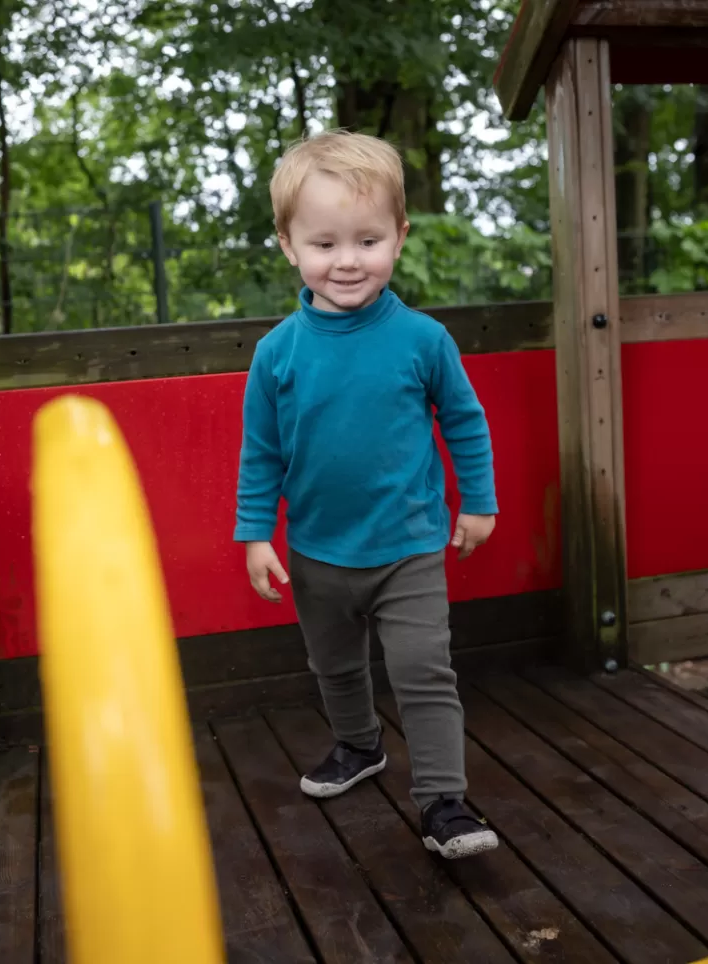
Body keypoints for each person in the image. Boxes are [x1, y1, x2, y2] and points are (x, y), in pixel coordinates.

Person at [234, 130, 499, 860]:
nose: (346, 260)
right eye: (324, 243)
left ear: (399, 238)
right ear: (289, 245)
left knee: (423, 670)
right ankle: (358, 747)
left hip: (408, 546)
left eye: (367, 239)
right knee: (336, 667)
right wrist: (255, 534)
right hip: (317, 552)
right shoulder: (277, 353)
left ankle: (444, 802)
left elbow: (465, 423)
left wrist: (478, 501)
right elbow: (261, 452)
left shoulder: (422, 339)